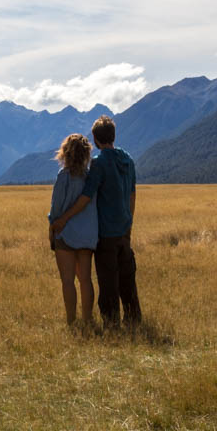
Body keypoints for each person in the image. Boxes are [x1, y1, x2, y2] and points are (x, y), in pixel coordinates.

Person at [50, 115, 141, 330]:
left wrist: (62, 219)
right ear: (114, 135)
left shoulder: (99, 164)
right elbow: (132, 195)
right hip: (122, 230)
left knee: (108, 282)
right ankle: (133, 320)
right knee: (127, 279)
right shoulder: (127, 159)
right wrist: (129, 224)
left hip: (106, 233)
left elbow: (85, 198)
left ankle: (111, 325)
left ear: (96, 139)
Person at [47, 134, 98, 330]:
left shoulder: (64, 176)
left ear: (65, 152)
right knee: (85, 279)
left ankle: (71, 322)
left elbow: (56, 206)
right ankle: (88, 319)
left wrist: (52, 226)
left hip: (65, 233)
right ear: (86, 153)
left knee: (67, 280)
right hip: (87, 235)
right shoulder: (90, 177)